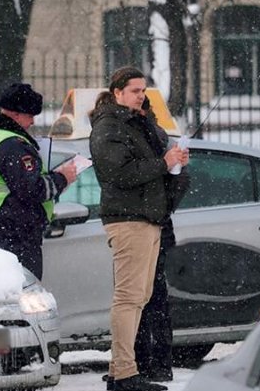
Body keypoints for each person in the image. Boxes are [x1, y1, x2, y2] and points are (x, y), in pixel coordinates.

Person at [89, 67, 187, 391]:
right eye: (134, 91)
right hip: (128, 220)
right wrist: (163, 162)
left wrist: (172, 162)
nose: (141, 96)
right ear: (117, 92)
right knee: (129, 298)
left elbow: (149, 167)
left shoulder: (136, 123)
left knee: (140, 297)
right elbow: (121, 173)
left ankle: (121, 372)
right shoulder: (108, 126)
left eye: (143, 90)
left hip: (147, 218)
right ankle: (126, 374)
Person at [0, 82, 77, 280]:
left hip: (2, 224)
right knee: (25, 293)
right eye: (30, 116)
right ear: (15, 114)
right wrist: (62, 178)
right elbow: (31, 189)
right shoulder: (12, 145)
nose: (32, 122)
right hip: (18, 231)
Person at [134, 97, 190, 383]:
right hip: (158, 224)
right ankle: (155, 362)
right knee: (152, 299)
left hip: (152, 226)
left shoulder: (149, 137)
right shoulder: (155, 136)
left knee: (146, 299)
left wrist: (173, 169)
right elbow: (175, 188)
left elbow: (168, 185)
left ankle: (150, 362)